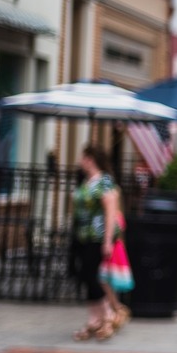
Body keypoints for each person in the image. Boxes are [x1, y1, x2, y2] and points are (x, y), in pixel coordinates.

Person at [70, 146, 128, 341]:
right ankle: (94, 319)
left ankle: (108, 315)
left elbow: (110, 211)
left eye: (83, 157)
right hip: (83, 235)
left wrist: (107, 240)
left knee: (92, 275)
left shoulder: (104, 182)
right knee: (85, 276)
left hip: (97, 236)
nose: (80, 161)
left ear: (90, 159)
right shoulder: (88, 182)